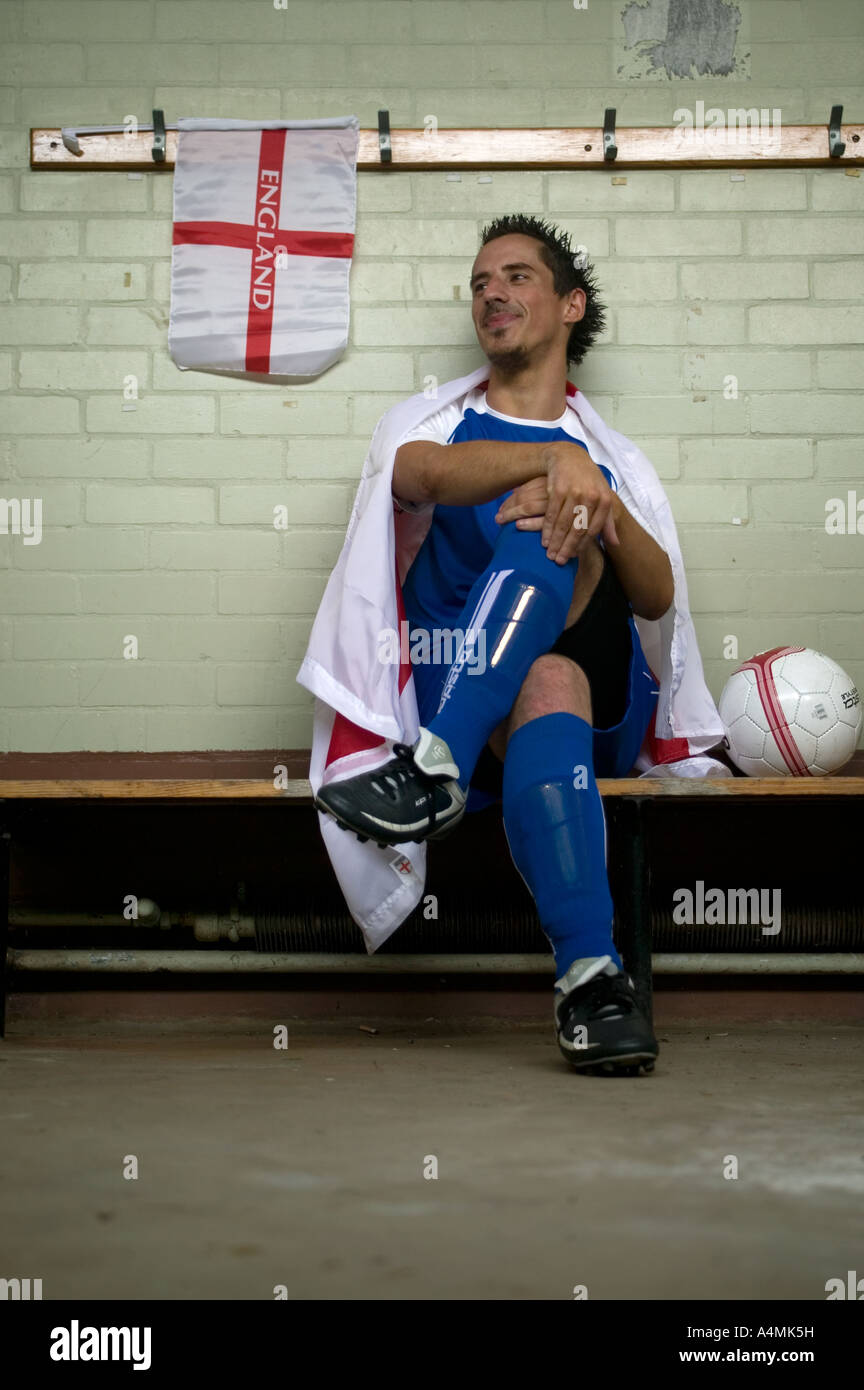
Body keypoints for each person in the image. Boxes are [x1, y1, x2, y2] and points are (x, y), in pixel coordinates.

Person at [313, 213, 703, 1076]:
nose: (493, 292)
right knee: (547, 678)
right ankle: (593, 983)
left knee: (555, 536)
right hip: (469, 679)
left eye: (518, 277)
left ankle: (434, 769)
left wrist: (589, 485)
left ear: (571, 305)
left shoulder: (613, 456)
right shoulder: (437, 425)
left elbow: (658, 596)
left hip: (573, 691)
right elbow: (417, 475)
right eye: (481, 282)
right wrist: (545, 463)